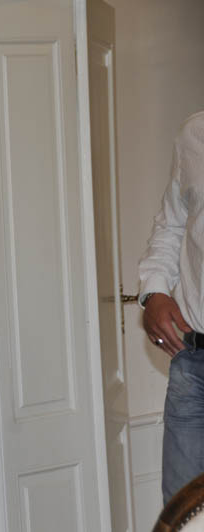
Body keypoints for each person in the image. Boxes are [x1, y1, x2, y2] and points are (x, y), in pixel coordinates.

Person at [138, 110, 204, 504]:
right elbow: (173, 223)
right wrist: (155, 290)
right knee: (183, 513)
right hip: (193, 363)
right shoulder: (195, 134)